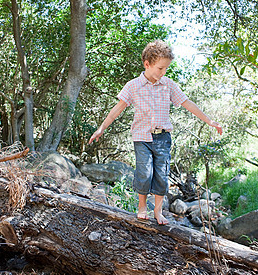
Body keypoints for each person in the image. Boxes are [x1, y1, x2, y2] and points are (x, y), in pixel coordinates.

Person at [88, 40, 223, 225]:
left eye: (166, 68)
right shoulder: (133, 86)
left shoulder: (168, 85)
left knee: (161, 174)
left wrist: (209, 120)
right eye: (160, 68)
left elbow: (187, 103)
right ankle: (142, 207)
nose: (163, 72)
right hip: (142, 137)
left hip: (163, 138)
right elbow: (116, 110)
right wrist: (101, 128)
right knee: (144, 172)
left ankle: (158, 212)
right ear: (147, 64)